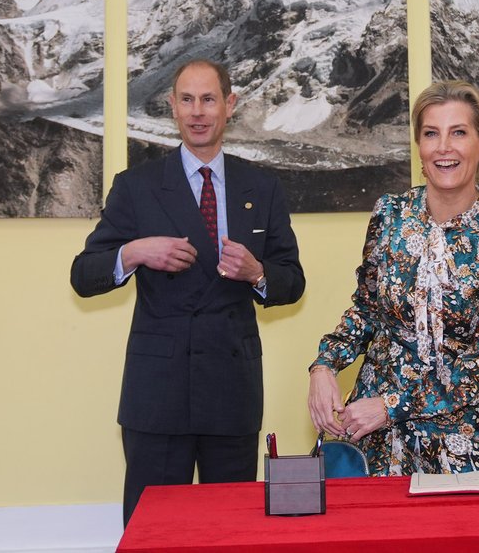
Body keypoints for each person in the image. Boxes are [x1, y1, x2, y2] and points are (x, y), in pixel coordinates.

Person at [71, 59, 305, 525]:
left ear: (229, 105)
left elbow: (292, 281)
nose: (197, 111)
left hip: (232, 391)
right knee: (154, 530)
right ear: (172, 108)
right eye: (186, 99)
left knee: (232, 530)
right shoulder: (136, 187)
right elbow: (83, 274)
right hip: (158, 395)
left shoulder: (262, 186)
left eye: (208, 99)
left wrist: (258, 272)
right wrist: (135, 252)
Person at [307, 80, 479, 475]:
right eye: (432, 134)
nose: (444, 147)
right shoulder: (389, 215)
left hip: (463, 447)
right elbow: (367, 309)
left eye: (458, 132)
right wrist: (324, 365)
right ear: (419, 146)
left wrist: (391, 405)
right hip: (375, 444)